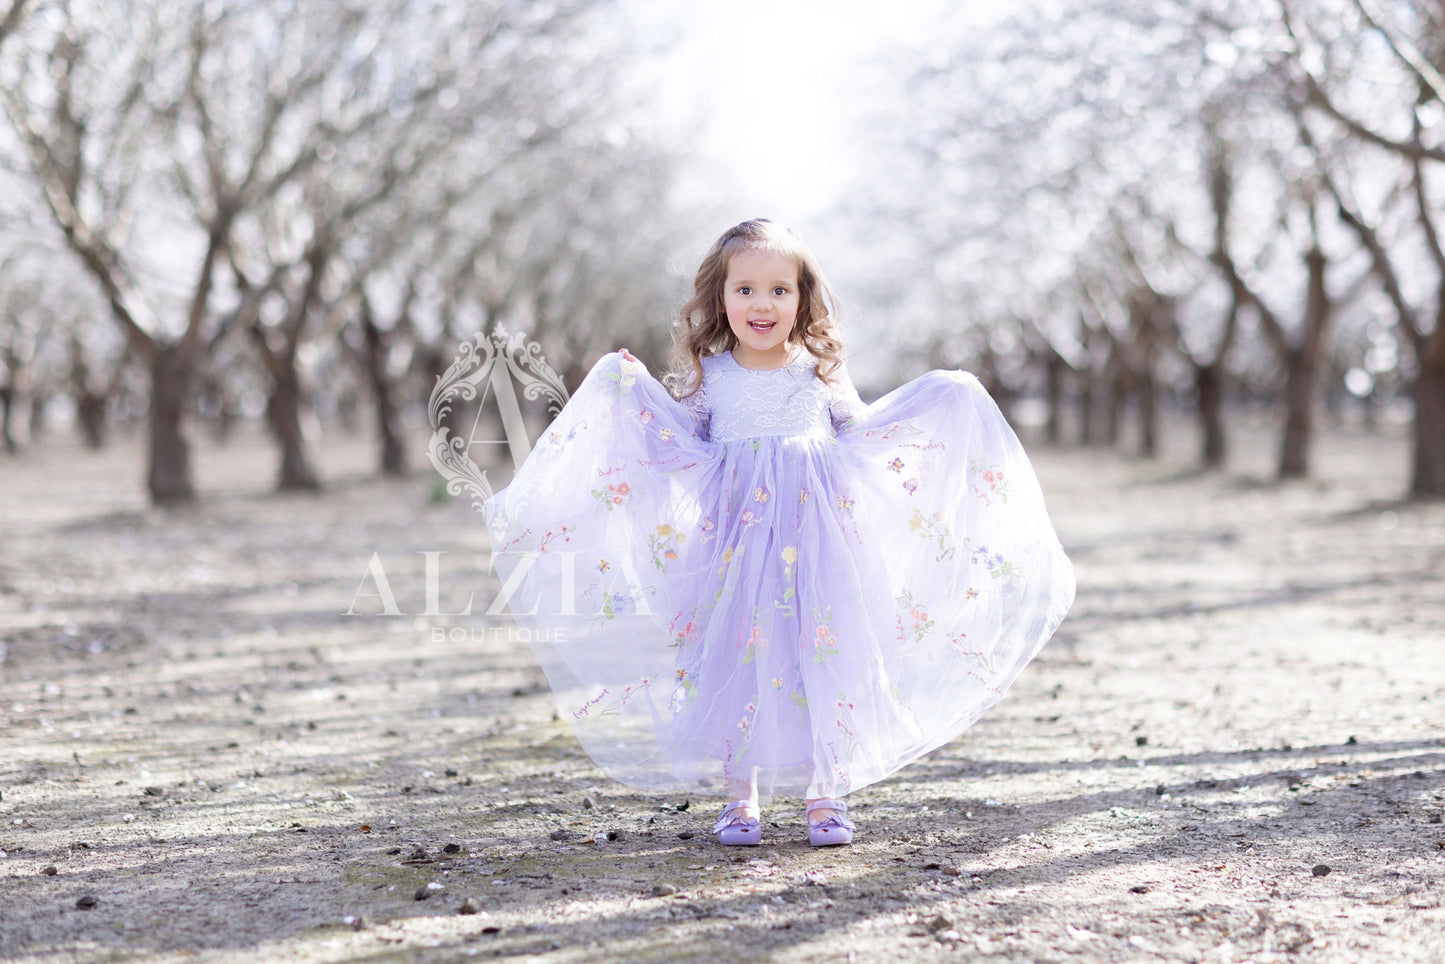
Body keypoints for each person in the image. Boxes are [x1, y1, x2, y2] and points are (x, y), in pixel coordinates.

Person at [483, 219, 1074, 847]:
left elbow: (862, 434)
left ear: (802, 298)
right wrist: (634, 394)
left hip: (819, 545)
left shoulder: (818, 369)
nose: (761, 305)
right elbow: (681, 444)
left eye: (778, 291)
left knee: (825, 656)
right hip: (736, 550)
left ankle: (828, 793)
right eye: (744, 290)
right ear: (720, 299)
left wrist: (940, 397)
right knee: (739, 657)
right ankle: (742, 799)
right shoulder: (712, 375)